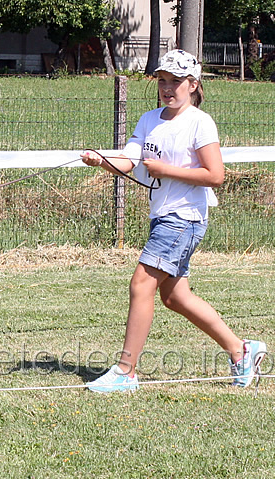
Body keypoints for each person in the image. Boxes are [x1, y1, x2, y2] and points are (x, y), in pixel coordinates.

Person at [81, 49, 267, 393]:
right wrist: (101, 160)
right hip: (163, 217)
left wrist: (166, 170)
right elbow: (128, 160)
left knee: (141, 284)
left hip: (185, 218)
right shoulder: (149, 119)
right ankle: (241, 350)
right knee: (175, 297)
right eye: (162, 81)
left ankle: (125, 371)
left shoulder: (199, 122)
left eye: (176, 82)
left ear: (193, 84)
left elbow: (215, 175)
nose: (168, 88)